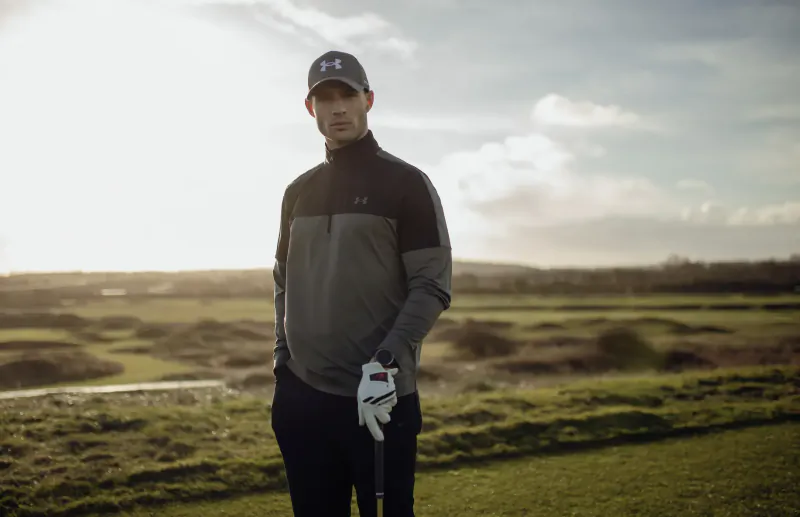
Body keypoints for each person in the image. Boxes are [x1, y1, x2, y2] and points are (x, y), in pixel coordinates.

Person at [269, 50, 452, 517]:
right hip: (303, 400)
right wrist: (281, 362)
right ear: (311, 110)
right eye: (324, 99)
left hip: (380, 396)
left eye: (348, 95)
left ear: (368, 99)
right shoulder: (297, 191)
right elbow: (282, 280)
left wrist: (387, 362)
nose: (337, 108)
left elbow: (431, 286)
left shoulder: (407, 183)